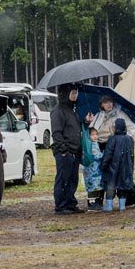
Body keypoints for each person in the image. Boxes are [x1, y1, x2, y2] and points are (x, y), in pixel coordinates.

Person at [51, 86, 89, 214]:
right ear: (65, 94)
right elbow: (56, 132)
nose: (75, 96)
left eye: (76, 93)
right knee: (63, 179)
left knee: (72, 179)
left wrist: (86, 122)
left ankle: (70, 203)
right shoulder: (58, 111)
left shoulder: (72, 109)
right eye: (72, 93)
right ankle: (61, 206)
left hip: (74, 150)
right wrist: (63, 150)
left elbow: (74, 127)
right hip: (65, 151)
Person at [100, 118, 135, 212]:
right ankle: (122, 206)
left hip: (112, 168)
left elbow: (108, 155)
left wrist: (103, 166)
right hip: (126, 167)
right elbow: (132, 155)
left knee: (110, 187)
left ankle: (109, 206)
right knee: (123, 187)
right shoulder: (130, 139)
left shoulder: (112, 139)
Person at [82, 127, 104, 210]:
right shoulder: (92, 145)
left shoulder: (89, 144)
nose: (95, 136)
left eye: (96, 134)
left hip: (91, 170)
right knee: (93, 187)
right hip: (93, 170)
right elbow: (96, 155)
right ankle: (92, 204)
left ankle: (94, 203)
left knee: (93, 187)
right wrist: (104, 154)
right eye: (92, 135)